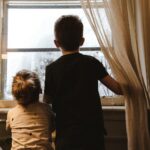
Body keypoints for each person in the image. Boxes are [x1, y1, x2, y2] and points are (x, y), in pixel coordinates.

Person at [44, 15, 123, 150]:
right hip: (92, 134)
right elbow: (117, 88)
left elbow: (47, 101)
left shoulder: (51, 69)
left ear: (56, 43)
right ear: (82, 41)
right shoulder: (92, 63)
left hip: (65, 135)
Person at [6, 70, 54, 150]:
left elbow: (8, 129)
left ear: (15, 94)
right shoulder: (47, 109)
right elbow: (51, 128)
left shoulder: (11, 113)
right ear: (39, 91)